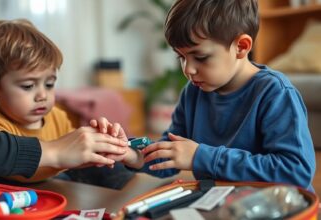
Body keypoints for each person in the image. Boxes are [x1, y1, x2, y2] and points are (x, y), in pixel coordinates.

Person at [101, 0, 316, 191]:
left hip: (279, 208)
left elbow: (295, 171)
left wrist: (199, 157)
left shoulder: (275, 93)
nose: (188, 69)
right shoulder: (193, 93)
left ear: (241, 47)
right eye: (181, 58)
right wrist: (132, 155)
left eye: (200, 57)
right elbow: (173, 152)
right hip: (221, 204)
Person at [0, 81, 127, 179]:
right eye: (27, 86)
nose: (42, 95)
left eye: (49, 84)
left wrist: (113, 149)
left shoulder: (57, 116)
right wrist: (54, 153)